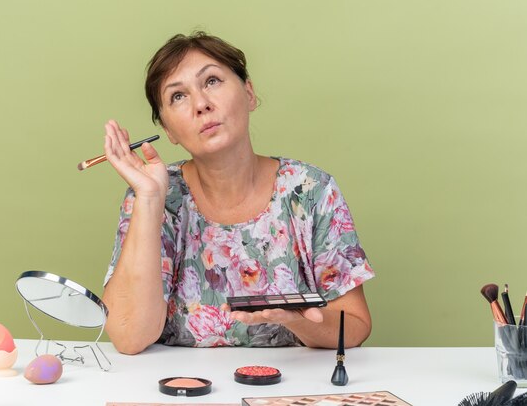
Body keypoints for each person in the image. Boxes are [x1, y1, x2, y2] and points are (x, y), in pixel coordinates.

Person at [101, 32, 374, 355]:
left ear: (249, 93)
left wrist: (296, 320)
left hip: (286, 388)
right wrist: (148, 199)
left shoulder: (311, 190)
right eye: (178, 97)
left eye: (212, 81)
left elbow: (354, 325)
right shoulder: (156, 195)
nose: (201, 104)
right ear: (168, 131)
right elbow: (129, 337)